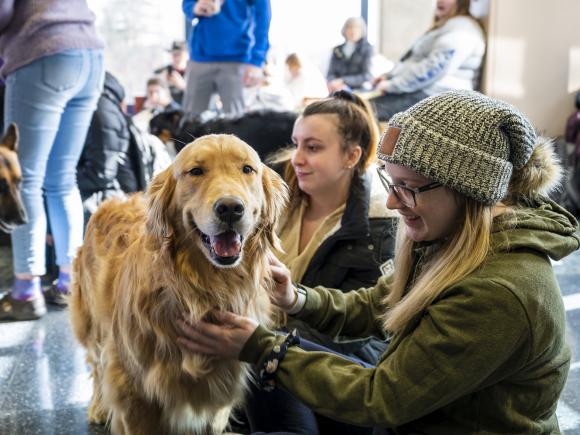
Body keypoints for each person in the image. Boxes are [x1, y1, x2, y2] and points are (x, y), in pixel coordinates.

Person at [177, 90, 579, 434]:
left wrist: (264, 348)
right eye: (391, 182)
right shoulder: (450, 240)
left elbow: (381, 397)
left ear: (469, 190)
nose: (391, 202)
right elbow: (378, 303)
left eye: (409, 188)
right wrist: (296, 299)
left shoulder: (496, 292)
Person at [241, 91, 397, 434]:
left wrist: (267, 339)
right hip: (267, 352)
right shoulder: (271, 196)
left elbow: (360, 336)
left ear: (351, 156)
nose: (297, 158)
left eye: (313, 148)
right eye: (296, 144)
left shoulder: (382, 223)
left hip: (341, 371)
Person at [0, 0, 105, 319]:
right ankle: (68, 284)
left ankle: (26, 291)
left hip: (43, 52)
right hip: (91, 56)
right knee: (61, 179)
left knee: (27, 178)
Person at [370, 0, 485, 121]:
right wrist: (389, 77)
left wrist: (391, 85)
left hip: (435, 96)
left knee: (363, 111)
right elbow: (414, 60)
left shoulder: (463, 30)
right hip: (422, 92)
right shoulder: (445, 26)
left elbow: (432, 70)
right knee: (361, 106)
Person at [181, 0, 272, 117]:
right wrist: (194, 7)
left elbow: (263, 18)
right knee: (189, 119)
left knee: (236, 120)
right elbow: (187, 3)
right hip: (200, 56)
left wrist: (256, 61)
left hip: (237, 58)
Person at [327, 17, 374, 93]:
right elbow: (330, 73)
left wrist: (343, 81)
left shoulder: (367, 49)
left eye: (356, 28)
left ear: (362, 30)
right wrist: (334, 83)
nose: (353, 31)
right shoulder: (337, 49)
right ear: (344, 30)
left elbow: (367, 75)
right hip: (338, 89)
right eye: (350, 27)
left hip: (358, 89)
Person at [154, 40, 188, 106]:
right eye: (173, 54)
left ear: (187, 55)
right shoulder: (163, 72)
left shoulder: (194, 73)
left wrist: (183, 87)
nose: (176, 57)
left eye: (179, 54)